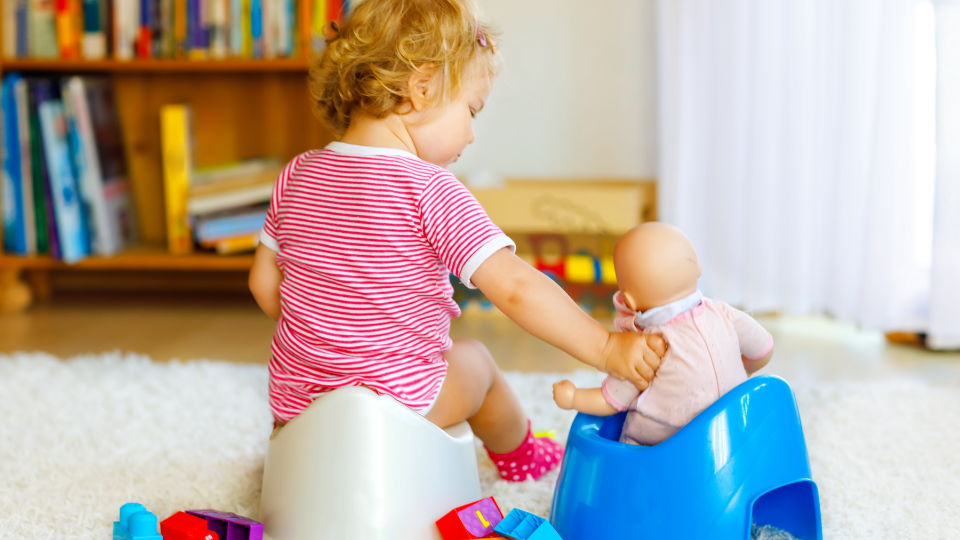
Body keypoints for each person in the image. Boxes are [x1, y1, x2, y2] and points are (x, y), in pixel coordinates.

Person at [248, 0, 664, 482]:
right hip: (399, 410)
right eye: (471, 109)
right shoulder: (432, 188)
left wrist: (335, 327)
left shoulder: (296, 175)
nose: (470, 133)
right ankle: (521, 456)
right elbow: (515, 288)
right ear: (421, 88)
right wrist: (608, 349)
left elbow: (264, 288)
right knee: (476, 362)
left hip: (297, 412)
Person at [553, 223, 774, 446]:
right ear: (697, 268)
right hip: (730, 435)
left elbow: (611, 401)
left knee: (627, 445)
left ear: (628, 301)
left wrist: (573, 397)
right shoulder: (726, 314)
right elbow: (763, 351)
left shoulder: (648, 346)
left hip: (665, 450)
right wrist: (740, 371)